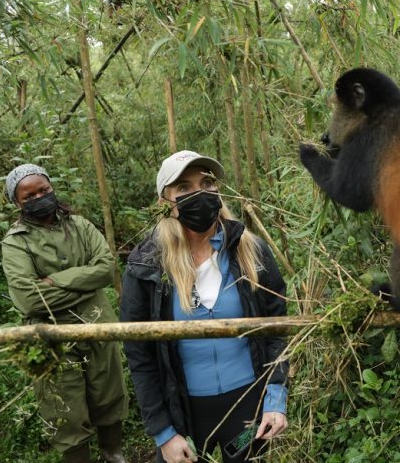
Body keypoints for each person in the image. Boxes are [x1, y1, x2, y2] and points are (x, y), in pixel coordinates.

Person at [121, 150, 289, 463]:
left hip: (245, 408)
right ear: (165, 201)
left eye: (207, 182)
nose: (198, 192)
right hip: (184, 412)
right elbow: (139, 355)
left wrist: (276, 398)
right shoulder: (147, 265)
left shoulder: (249, 250)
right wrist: (163, 433)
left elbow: (277, 326)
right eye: (184, 187)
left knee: (243, 457)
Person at [0, 164, 129, 463]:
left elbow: (107, 268)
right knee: (64, 411)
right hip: (49, 337)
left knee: (109, 395)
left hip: (98, 325)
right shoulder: (15, 242)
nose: (39, 197)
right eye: (29, 195)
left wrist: (56, 280)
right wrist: (85, 284)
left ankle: (114, 454)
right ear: (17, 203)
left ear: (52, 188)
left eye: (43, 190)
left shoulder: (81, 226)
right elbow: (30, 300)